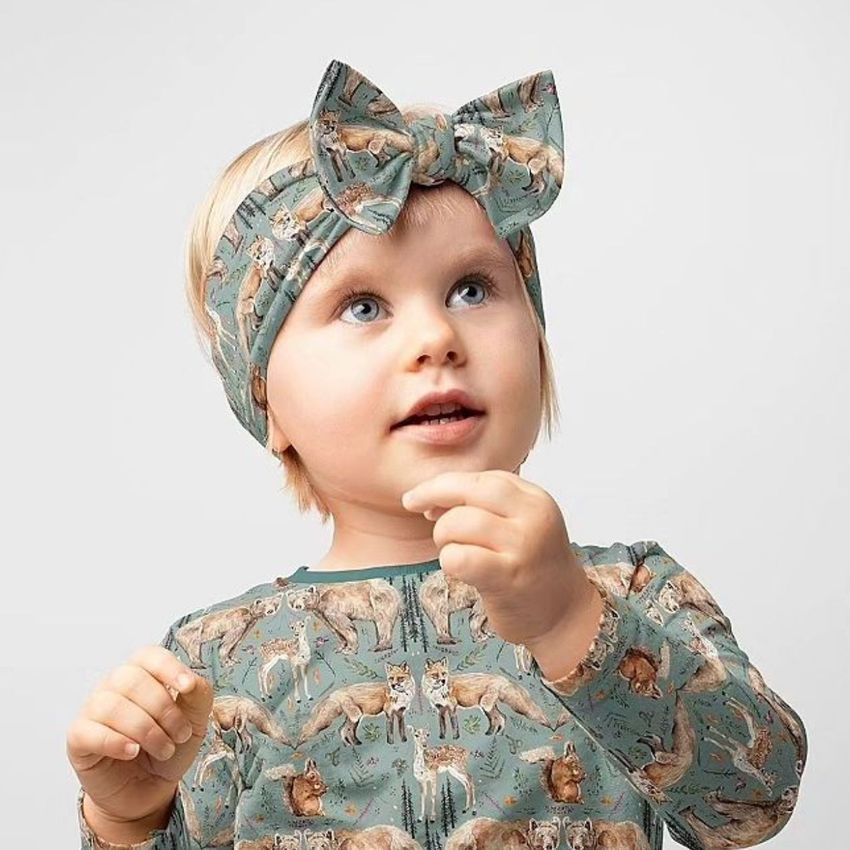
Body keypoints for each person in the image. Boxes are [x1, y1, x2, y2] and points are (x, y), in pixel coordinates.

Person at [66, 58, 807, 850]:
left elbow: (751, 805)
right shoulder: (214, 665)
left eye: (473, 290)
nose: (435, 339)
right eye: (361, 306)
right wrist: (126, 818)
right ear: (265, 401)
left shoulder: (629, 593)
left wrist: (568, 618)